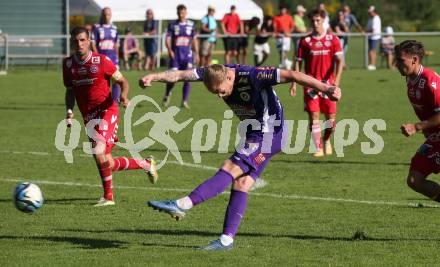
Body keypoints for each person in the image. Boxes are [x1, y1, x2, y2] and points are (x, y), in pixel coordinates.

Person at [139, 64, 341, 251]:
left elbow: (292, 75)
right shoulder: (211, 73)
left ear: (229, 77)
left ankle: (182, 204)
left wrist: (326, 88)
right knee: (242, 182)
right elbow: (180, 75)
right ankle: (226, 240)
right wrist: (153, 76)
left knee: (230, 166)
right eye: (214, 92)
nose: (219, 96)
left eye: (221, 90)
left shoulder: (253, 76)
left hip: (270, 133)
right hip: (256, 134)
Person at [63, 27, 158, 207]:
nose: (79, 44)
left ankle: (108, 197)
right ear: (71, 42)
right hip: (88, 117)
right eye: (76, 41)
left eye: (83, 40)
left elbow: (122, 81)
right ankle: (145, 164)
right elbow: (69, 91)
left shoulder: (102, 61)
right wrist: (69, 111)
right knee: (108, 162)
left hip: (107, 111)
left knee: (98, 152)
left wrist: (124, 95)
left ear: (89, 41)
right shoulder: (68, 65)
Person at [290, 8, 344, 157]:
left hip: (329, 86)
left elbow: (340, 61)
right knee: (314, 116)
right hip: (310, 85)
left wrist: (336, 83)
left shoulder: (333, 40)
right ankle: (318, 146)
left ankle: (327, 140)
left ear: (323, 20)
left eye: (318, 20)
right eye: (313, 20)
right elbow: (298, 63)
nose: (315, 23)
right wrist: (294, 83)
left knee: (331, 121)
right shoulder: (305, 41)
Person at [397, 40, 440, 205]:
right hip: (434, 139)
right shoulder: (410, 79)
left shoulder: (430, 82)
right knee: (415, 179)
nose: (397, 65)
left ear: (414, 59)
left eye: (401, 61)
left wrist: (417, 126)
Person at [163, 4, 199, 109]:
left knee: (188, 78)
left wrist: (197, 53)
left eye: (183, 12)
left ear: (186, 13)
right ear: (177, 13)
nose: (181, 15)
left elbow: (194, 40)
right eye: (179, 13)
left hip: (187, 56)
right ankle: (167, 93)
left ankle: (184, 101)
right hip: (176, 56)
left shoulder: (191, 25)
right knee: (173, 78)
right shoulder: (172, 25)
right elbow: (168, 39)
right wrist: (169, 50)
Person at [91, 7, 121, 102]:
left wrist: (117, 57)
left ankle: (115, 101)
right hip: (101, 59)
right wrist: (97, 57)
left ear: (111, 15)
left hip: (113, 58)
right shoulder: (96, 28)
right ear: (101, 15)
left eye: (108, 14)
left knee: (117, 80)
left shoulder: (114, 28)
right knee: (102, 82)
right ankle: (101, 100)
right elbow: (93, 43)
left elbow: (116, 44)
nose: (106, 16)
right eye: (104, 14)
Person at [273, 5, 294, 69]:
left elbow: (292, 27)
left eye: (284, 9)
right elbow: (275, 27)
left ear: (286, 10)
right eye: (281, 9)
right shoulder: (276, 17)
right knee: (280, 52)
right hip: (279, 37)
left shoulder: (289, 17)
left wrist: (288, 32)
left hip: (287, 37)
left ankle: (283, 64)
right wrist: (276, 33)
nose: (282, 10)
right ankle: (286, 63)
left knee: (284, 51)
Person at [366, 6, 381, 70]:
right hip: (370, 36)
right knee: (370, 51)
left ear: (373, 11)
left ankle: (373, 64)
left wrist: (365, 32)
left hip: (374, 37)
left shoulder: (376, 18)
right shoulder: (370, 18)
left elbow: (373, 29)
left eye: (370, 12)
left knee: (372, 51)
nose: (369, 13)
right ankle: (371, 64)